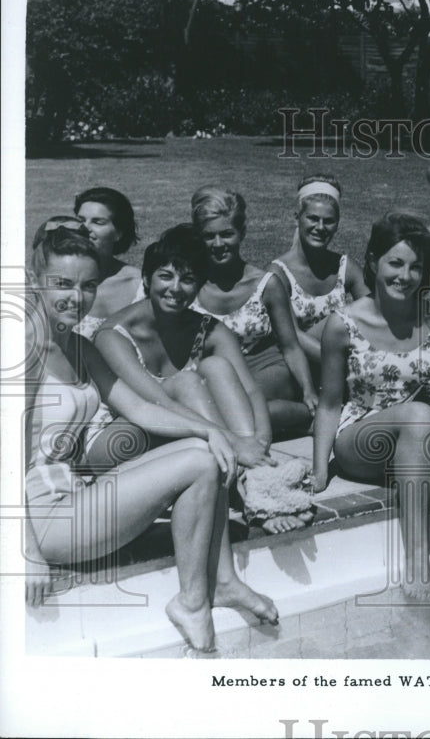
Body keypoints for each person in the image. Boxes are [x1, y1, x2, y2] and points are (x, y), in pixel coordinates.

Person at [23, 221, 277, 653]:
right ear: (35, 282)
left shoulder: (79, 347)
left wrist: (214, 432)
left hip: (79, 494)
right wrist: (25, 554)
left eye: (87, 286)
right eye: (62, 284)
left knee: (201, 450)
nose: (75, 297)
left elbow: (140, 408)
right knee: (198, 461)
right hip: (45, 520)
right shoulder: (24, 350)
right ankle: (193, 602)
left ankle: (223, 583)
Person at [311, 212, 430, 624]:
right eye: (395, 263)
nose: (406, 275)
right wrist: (318, 472)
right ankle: (417, 565)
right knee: (418, 413)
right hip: (361, 439)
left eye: (416, 266)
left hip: (420, 440)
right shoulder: (343, 324)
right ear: (374, 261)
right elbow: (328, 404)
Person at [95, 225, 313, 534]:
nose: (176, 288)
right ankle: (249, 489)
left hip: (192, 438)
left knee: (217, 367)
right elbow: (157, 401)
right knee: (186, 382)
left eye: (188, 280)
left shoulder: (208, 328)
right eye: (165, 276)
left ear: (199, 287)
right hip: (121, 439)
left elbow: (250, 390)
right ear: (146, 279)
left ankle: (254, 479)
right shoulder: (114, 334)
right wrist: (237, 444)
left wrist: (259, 445)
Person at [188, 185, 317, 439]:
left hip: (267, 370)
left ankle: (307, 413)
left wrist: (309, 389)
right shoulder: (190, 284)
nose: (218, 244)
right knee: (231, 414)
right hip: (214, 375)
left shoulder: (265, 284)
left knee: (225, 413)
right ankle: (289, 420)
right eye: (208, 236)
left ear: (242, 232)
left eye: (227, 234)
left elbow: (290, 346)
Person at [267, 174, 368, 365]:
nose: (320, 227)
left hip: (335, 359)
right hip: (292, 363)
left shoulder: (345, 266)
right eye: (313, 218)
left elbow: (373, 311)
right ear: (297, 218)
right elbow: (291, 335)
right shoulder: (278, 272)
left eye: (328, 221)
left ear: (337, 223)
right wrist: (344, 364)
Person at [71, 187, 145, 340]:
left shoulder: (140, 286)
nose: (85, 228)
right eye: (80, 220)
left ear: (119, 233)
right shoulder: (59, 280)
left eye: (98, 222)